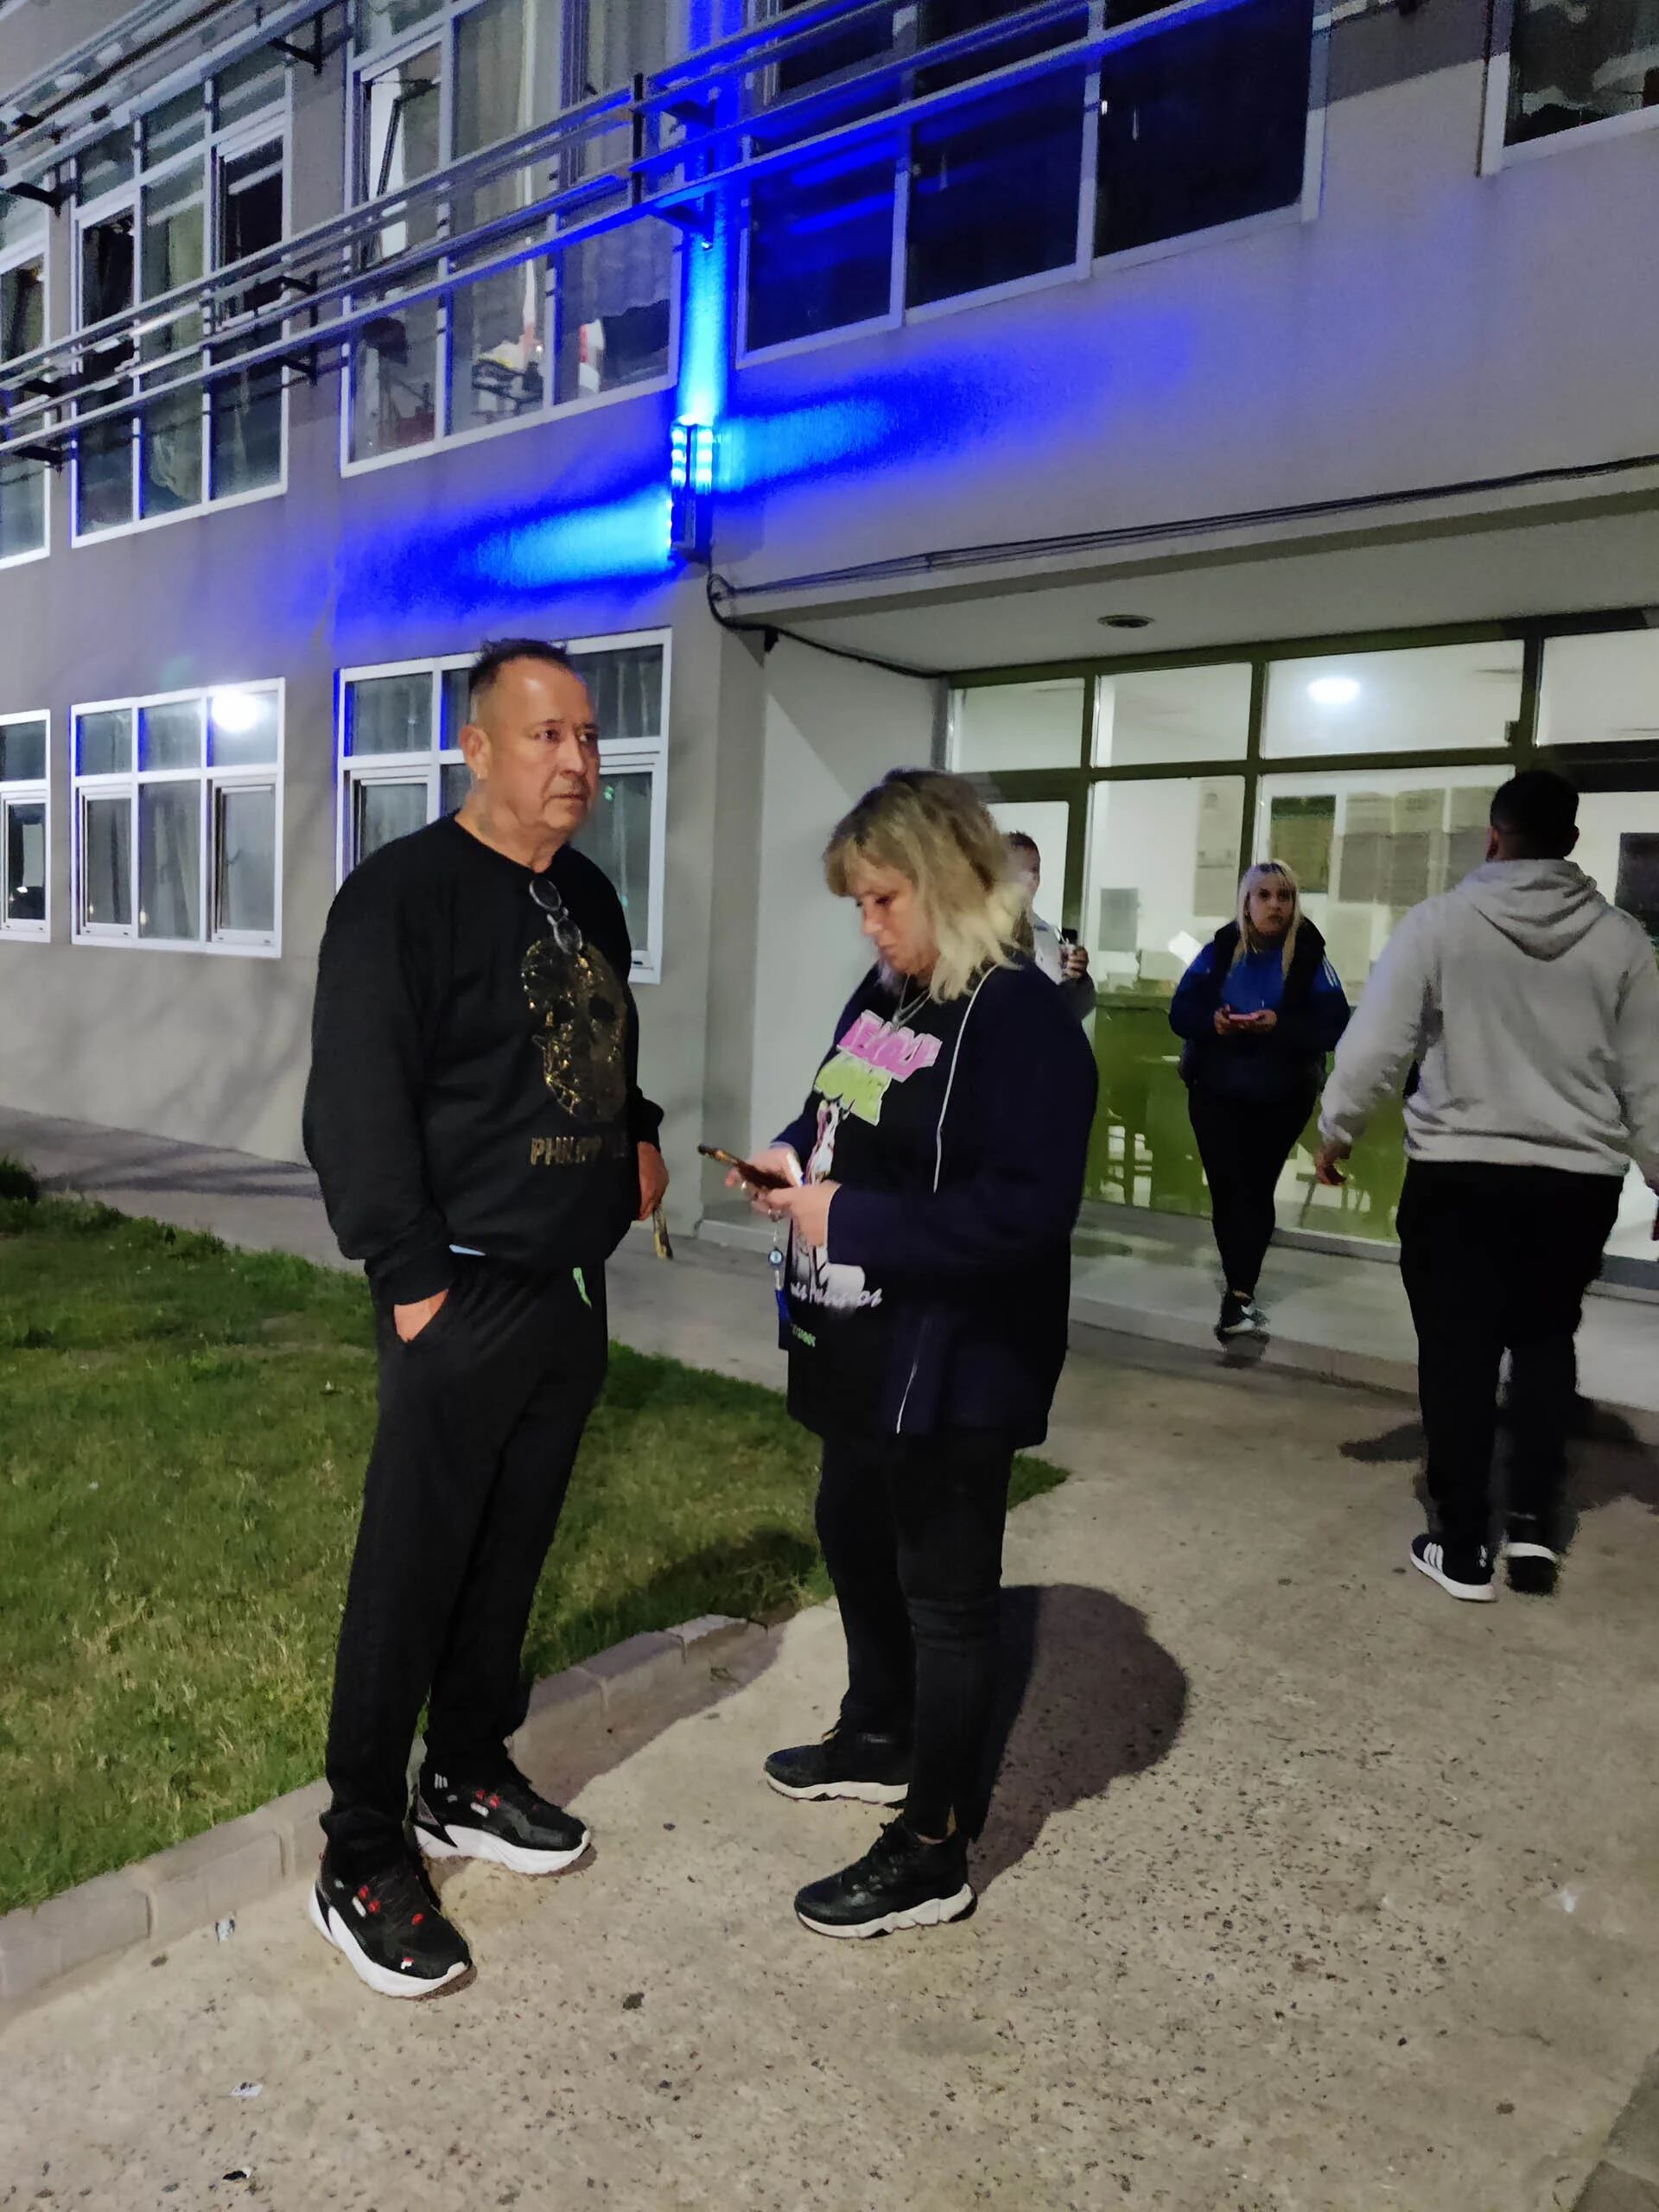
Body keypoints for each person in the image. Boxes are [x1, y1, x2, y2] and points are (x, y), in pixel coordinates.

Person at [302, 639, 668, 1998]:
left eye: (586, 736)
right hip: (457, 1289)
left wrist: (637, 1131)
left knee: (510, 1556)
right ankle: (360, 1844)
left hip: (571, 1288)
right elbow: (353, 1105)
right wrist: (411, 1284)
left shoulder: (589, 896)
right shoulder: (401, 899)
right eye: (545, 737)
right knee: (414, 1565)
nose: (576, 761)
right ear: (476, 746)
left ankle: (466, 1772)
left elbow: (602, 1041)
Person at [731, 770, 1096, 1940]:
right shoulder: (894, 989)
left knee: (949, 1596)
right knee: (848, 1523)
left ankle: (935, 1843)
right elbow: (833, 1102)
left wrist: (861, 1221)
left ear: (946, 885)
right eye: (859, 904)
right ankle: (883, 1728)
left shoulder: (1025, 1023)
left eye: (883, 899)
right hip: (863, 1343)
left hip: (957, 1362)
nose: (868, 922)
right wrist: (792, 1162)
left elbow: (1024, 1217)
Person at [1316, 769, 1659, 1604]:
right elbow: (1651, 1075)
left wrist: (1336, 1129)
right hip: (1576, 1181)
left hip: (1459, 1176)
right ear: (1573, 842)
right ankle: (1535, 1532)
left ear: (1492, 836)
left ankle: (1463, 1543)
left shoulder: (1439, 925)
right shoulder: (1624, 945)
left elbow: (1377, 1046)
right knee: (1545, 1343)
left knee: (1459, 1355)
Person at [1169, 861, 1350, 1342]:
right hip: (1215, 1089)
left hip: (1280, 1093)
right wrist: (1216, 1022)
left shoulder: (1309, 955)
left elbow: (1334, 1025)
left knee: (1255, 1186)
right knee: (1228, 1188)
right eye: (1265, 896)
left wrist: (1281, 1027)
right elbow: (1181, 1011)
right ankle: (1238, 1287)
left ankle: (1241, 1293)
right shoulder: (1221, 949)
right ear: (1247, 904)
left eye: (1285, 896)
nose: (1275, 905)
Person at [1006, 830, 1093, 1019]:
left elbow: (1063, 1002)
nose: (1032, 878)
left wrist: (1078, 977)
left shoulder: (1044, 931)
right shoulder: (978, 930)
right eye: (1022, 870)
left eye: (1035, 869)